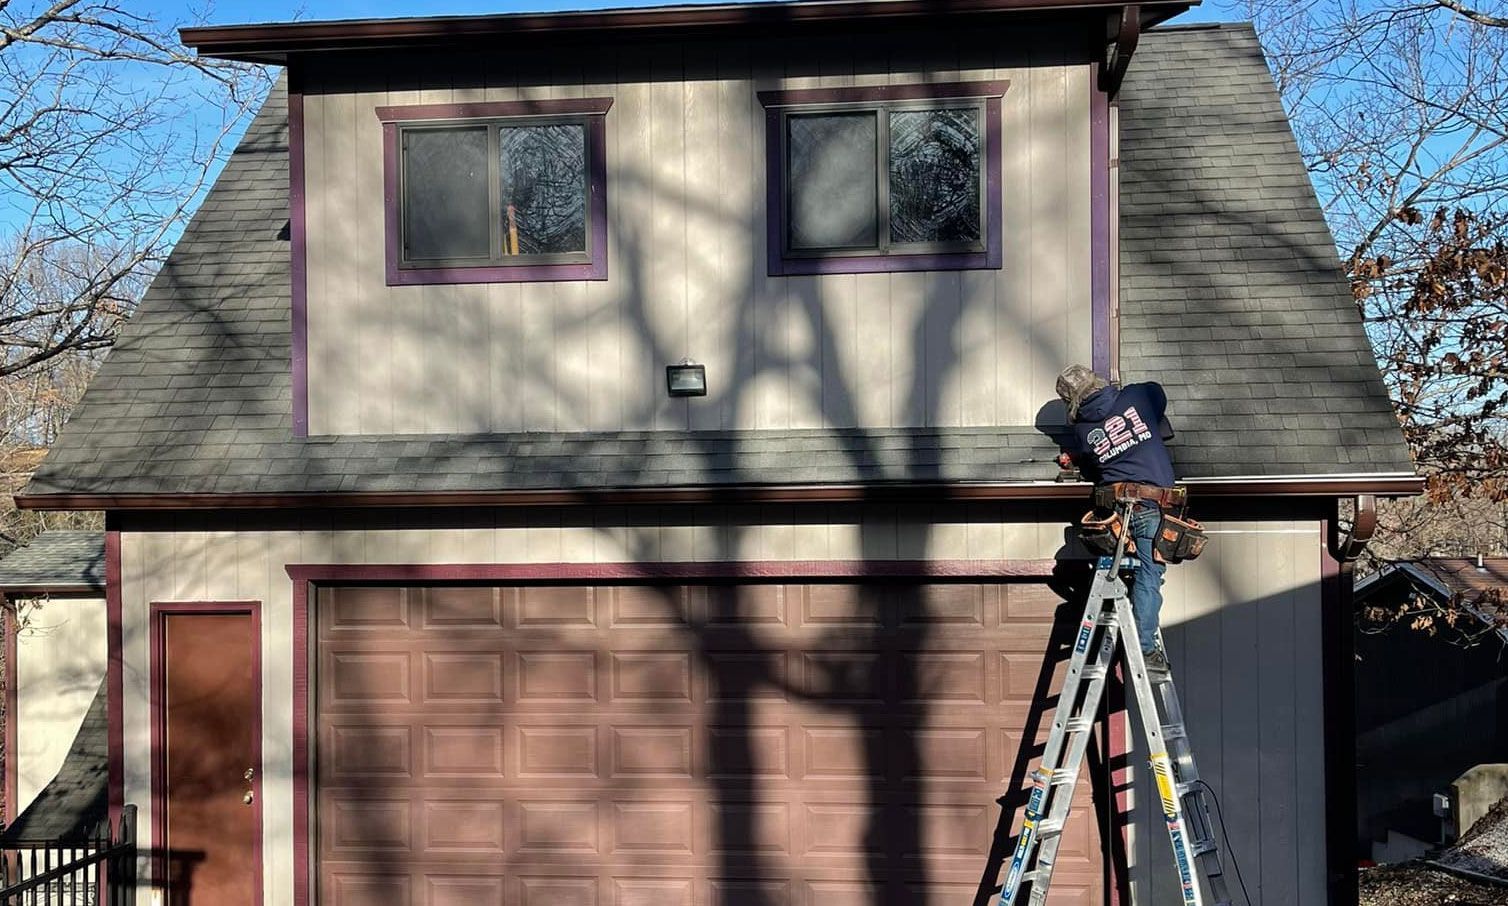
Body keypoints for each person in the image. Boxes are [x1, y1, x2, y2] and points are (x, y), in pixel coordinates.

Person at [1055, 364, 1179, 675]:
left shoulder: (1083, 432)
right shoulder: (1137, 396)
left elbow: (1094, 469)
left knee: (1128, 576)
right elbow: (1158, 394)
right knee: (1150, 576)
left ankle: (1126, 632)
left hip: (1114, 515)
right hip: (1151, 507)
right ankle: (1145, 650)